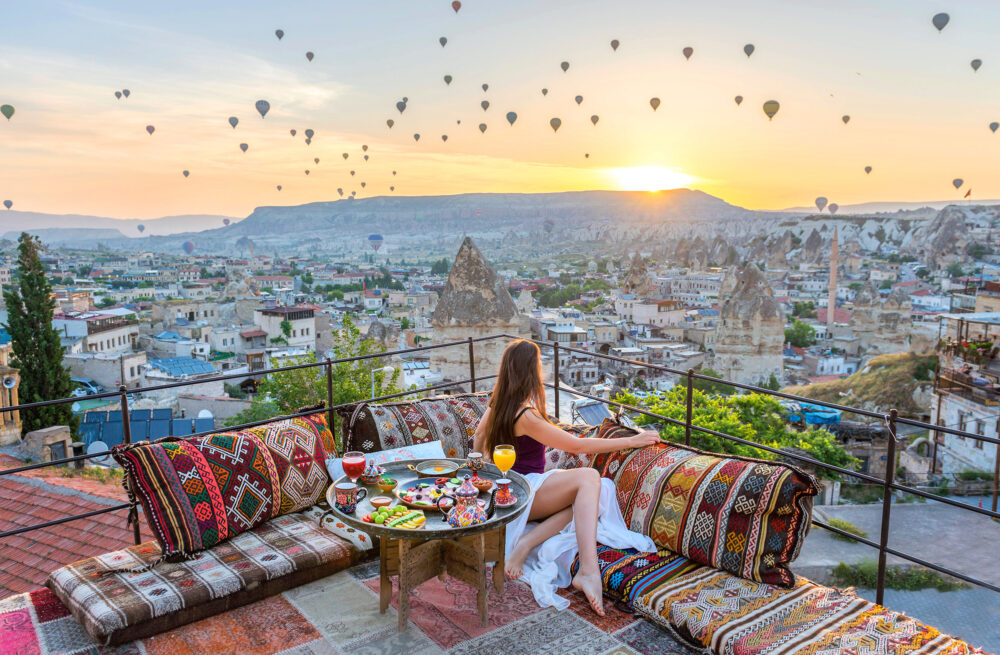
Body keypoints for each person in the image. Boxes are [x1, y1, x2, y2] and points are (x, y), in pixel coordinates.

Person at [472, 339, 661, 616]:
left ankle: (527, 542)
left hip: (506, 488)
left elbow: (478, 437)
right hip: (524, 490)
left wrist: (480, 476)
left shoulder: (498, 402)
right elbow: (577, 446)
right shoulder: (525, 415)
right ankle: (588, 569)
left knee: (597, 492)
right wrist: (633, 441)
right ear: (532, 371)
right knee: (589, 479)